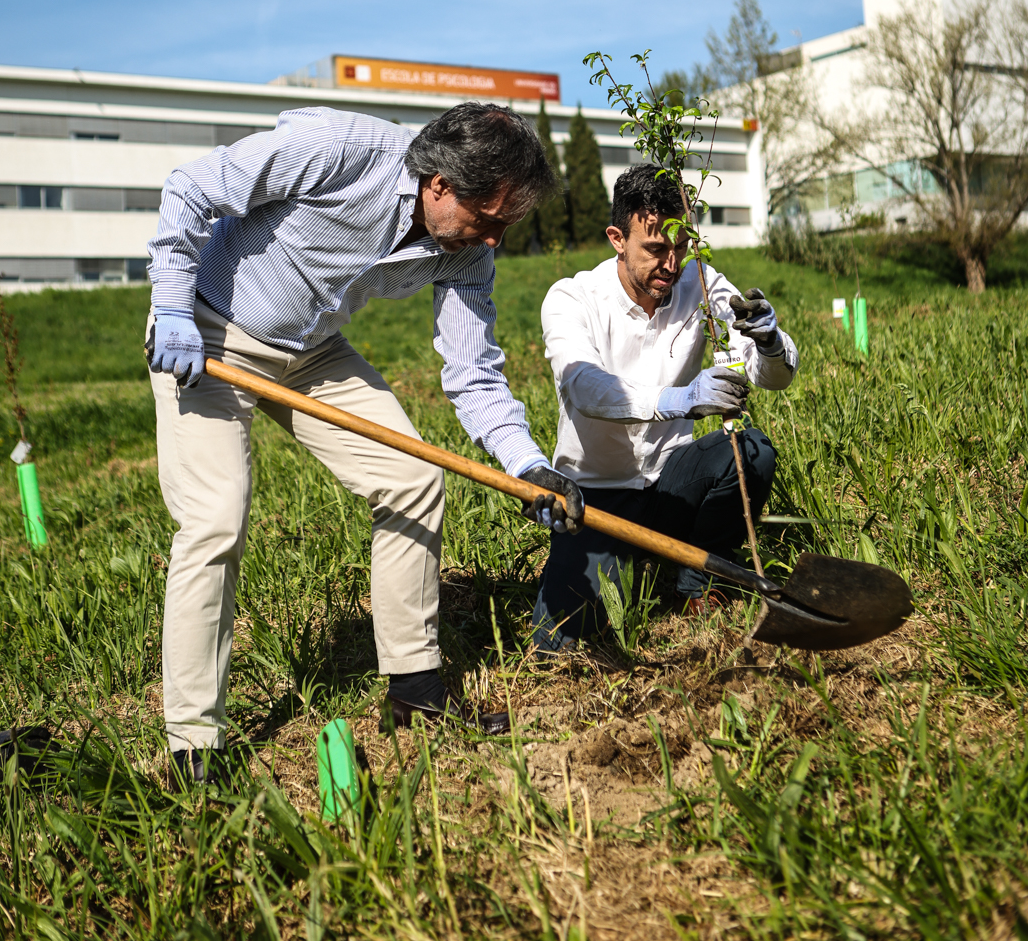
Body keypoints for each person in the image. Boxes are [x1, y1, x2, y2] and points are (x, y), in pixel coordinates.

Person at [146, 102, 585, 781]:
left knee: (413, 479)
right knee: (214, 519)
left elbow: (472, 373)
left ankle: (414, 693)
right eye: (488, 219)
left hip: (313, 353)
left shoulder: (463, 252)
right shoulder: (336, 149)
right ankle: (193, 746)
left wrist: (527, 464)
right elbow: (192, 187)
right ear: (439, 185)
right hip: (206, 335)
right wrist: (172, 306)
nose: (493, 240)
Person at [529, 162, 799, 654]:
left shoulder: (700, 282)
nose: (671, 264)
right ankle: (630, 559)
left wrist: (772, 344)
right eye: (655, 249)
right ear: (617, 238)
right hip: (598, 496)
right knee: (559, 641)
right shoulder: (572, 299)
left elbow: (768, 376)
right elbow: (584, 388)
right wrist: (678, 400)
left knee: (750, 451)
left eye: (680, 246)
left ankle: (699, 579)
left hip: (672, 483)